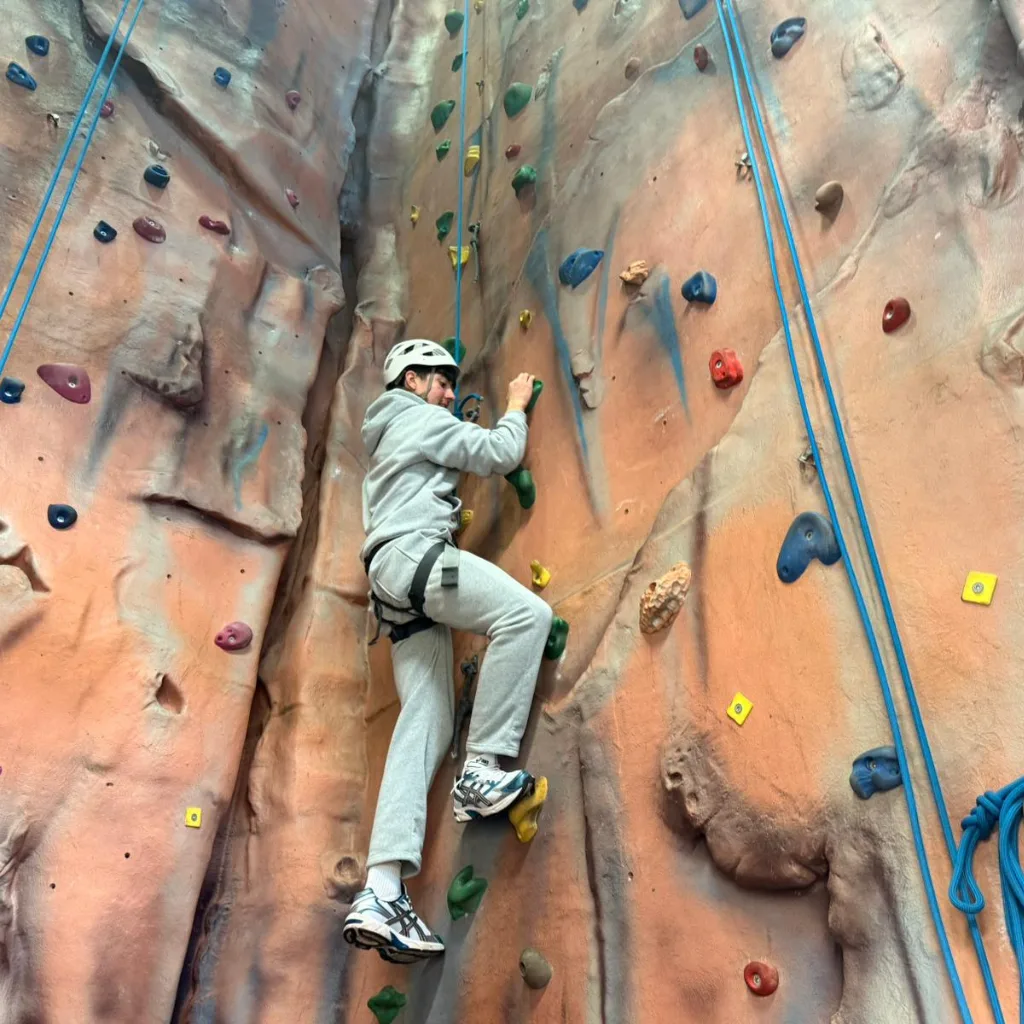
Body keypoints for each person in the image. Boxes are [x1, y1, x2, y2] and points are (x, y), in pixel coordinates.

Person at [342, 339, 554, 962]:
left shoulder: (386, 435)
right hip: (421, 560)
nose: (447, 393)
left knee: (426, 716)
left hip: (392, 592)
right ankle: (482, 768)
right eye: (440, 381)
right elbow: (499, 452)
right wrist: (515, 405)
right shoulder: (416, 415)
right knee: (526, 615)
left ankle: (381, 889)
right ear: (412, 380)